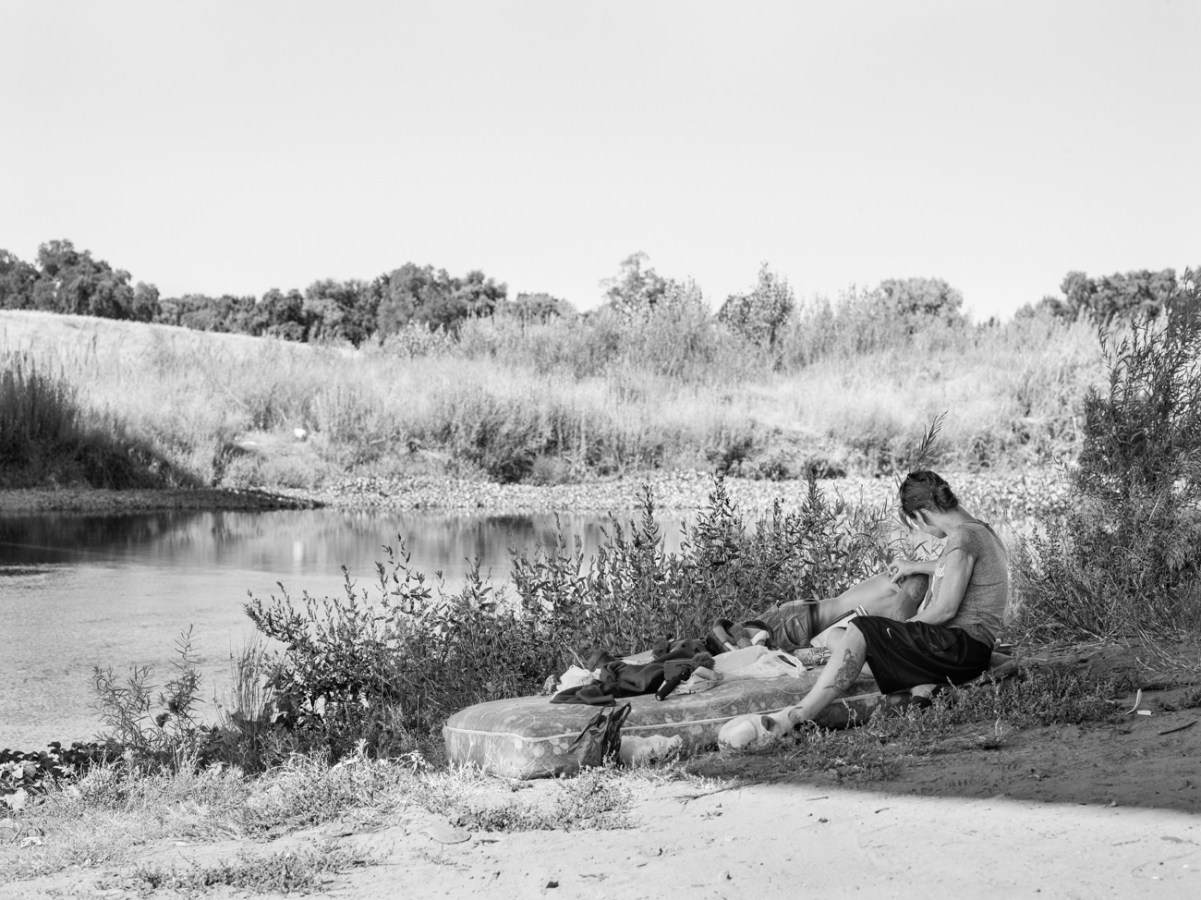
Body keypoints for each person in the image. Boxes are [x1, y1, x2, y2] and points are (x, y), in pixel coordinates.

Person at [720, 470, 1010, 749]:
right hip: (965, 650)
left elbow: (945, 609)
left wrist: (897, 633)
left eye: (917, 525)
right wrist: (917, 566)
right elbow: (955, 569)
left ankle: (796, 718)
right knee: (839, 637)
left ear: (921, 514)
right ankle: (922, 688)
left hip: (959, 647)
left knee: (862, 629)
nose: (925, 532)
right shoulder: (980, 532)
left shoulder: (961, 539)